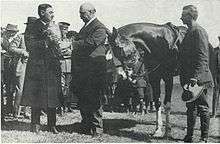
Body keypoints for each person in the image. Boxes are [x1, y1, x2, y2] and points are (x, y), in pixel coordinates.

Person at [21, 4, 64, 134]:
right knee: (37, 95)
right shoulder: (32, 26)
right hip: (38, 66)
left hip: (52, 66)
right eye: (50, 12)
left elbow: (58, 44)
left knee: (52, 95)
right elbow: (30, 44)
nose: (53, 14)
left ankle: (52, 125)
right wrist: (46, 42)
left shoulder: (55, 26)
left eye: (53, 12)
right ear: (42, 13)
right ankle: (35, 125)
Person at [71, 2, 109, 137]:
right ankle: (86, 125)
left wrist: (72, 44)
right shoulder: (86, 26)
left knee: (95, 99)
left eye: (83, 13)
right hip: (83, 70)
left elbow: (91, 43)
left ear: (92, 12)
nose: (80, 16)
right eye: (80, 13)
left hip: (94, 70)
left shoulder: (99, 28)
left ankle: (97, 129)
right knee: (84, 98)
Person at [179, 5, 214, 143]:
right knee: (191, 107)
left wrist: (196, 77)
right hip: (191, 78)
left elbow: (203, 57)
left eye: (183, 15)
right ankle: (189, 137)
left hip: (200, 78)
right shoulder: (190, 31)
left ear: (191, 16)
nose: (181, 17)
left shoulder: (199, 32)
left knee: (203, 108)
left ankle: (204, 138)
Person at [8, 17, 37, 119]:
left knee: (30, 89)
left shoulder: (36, 38)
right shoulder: (21, 37)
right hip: (22, 66)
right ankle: (16, 112)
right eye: (31, 26)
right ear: (27, 26)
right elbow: (11, 48)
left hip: (33, 67)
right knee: (20, 89)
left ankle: (26, 112)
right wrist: (22, 51)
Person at [1, 24, 19, 115]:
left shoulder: (14, 40)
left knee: (11, 87)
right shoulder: (2, 39)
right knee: (6, 86)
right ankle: (7, 107)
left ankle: (9, 107)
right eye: (11, 32)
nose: (13, 34)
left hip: (12, 64)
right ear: (7, 31)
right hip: (4, 64)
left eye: (14, 32)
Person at [57, 21, 73, 115]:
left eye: (67, 29)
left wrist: (66, 52)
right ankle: (60, 107)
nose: (66, 31)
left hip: (69, 66)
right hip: (60, 65)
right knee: (61, 87)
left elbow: (72, 52)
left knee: (68, 87)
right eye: (64, 29)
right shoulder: (57, 40)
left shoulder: (68, 41)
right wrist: (66, 52)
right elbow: (58, 52)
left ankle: (67, 106)